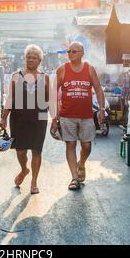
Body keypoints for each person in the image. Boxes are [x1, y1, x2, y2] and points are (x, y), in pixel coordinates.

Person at [51, 41, 105, 190]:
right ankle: (74, 178)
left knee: (86, 146)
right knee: (70, 144)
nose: (70, 54)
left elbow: (99, 90)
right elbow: (53, 94)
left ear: (82, 53)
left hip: (86, 116)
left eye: (74, 51)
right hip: (67, 115)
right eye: (69, 51)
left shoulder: (89, 69)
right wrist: (54, 118)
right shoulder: (62, 70)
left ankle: (81, 163)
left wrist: (101, 109)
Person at [0, 45, 50, 194]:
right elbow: (10, 98)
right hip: (18, 118)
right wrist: (3, 118)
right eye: (28, 57)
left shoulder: (45, 78)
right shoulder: (16, 76)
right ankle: (24, 169)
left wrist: (55, 119)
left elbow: (49, 99)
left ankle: (34, 182)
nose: (31, 60)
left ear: (40, 60)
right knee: (21, 150)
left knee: (36, 151)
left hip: (39, 119)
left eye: (34, 57)